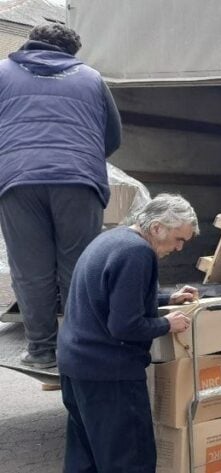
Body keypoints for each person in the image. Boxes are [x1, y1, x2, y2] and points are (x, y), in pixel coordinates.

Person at [0, 23, 122, 369]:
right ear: (71, 52)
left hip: (18, 181)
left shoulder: (2, 72)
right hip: (78, 181)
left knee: (30, 269)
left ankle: (41, 351)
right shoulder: (92, 79)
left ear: (29, 43)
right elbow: (112, 137)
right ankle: (79, 349)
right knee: (79, 267)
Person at [57, 195, 199, 472]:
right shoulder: (138, 253)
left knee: (85, 457)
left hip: (76, 366)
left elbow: (114, 298)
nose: (179, 248)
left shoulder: (113, 239)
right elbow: (124, 326)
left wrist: (168, 297)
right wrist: (166, 324)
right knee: (129, 460)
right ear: (157, 228)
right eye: (178, 239)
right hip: (111, 375)